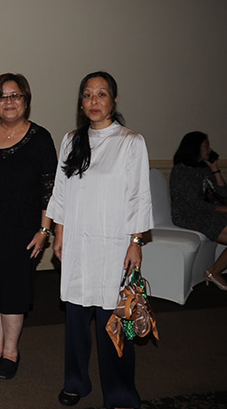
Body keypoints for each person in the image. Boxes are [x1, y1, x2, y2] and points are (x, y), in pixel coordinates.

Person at [47, 71, 153, 409]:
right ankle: (76, 381)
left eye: (102, 94)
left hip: (113, 245)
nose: (94, 101)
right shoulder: (71, 140)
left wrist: (136, 240)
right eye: (88, 95)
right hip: (78, 242)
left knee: (113, 318)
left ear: (114, 100)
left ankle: (120, 392)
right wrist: (59, 233)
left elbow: (139, 196)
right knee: (76, 320)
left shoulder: (130, 142)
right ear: (81, 102)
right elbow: (61, 192)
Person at [0, 73, 57, 381]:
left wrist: (44, 231)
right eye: (2, 97)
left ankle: (11, 351)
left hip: (24, 230)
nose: (9, 102)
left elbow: (50, 189)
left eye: (15, 96)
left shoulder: (40, 137)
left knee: (14, 293)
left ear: (26, 100)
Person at [169, 131, 227, 289]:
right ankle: (214, 272)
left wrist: (214, 168)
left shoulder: (203, 169)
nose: (210, 149)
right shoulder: (180, 173)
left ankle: (213, 271)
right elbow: (194, 205)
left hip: (208, 212)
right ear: (194, 149)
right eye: (206, 146)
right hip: (189, 215)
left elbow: (223, 193)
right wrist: (223, 210)